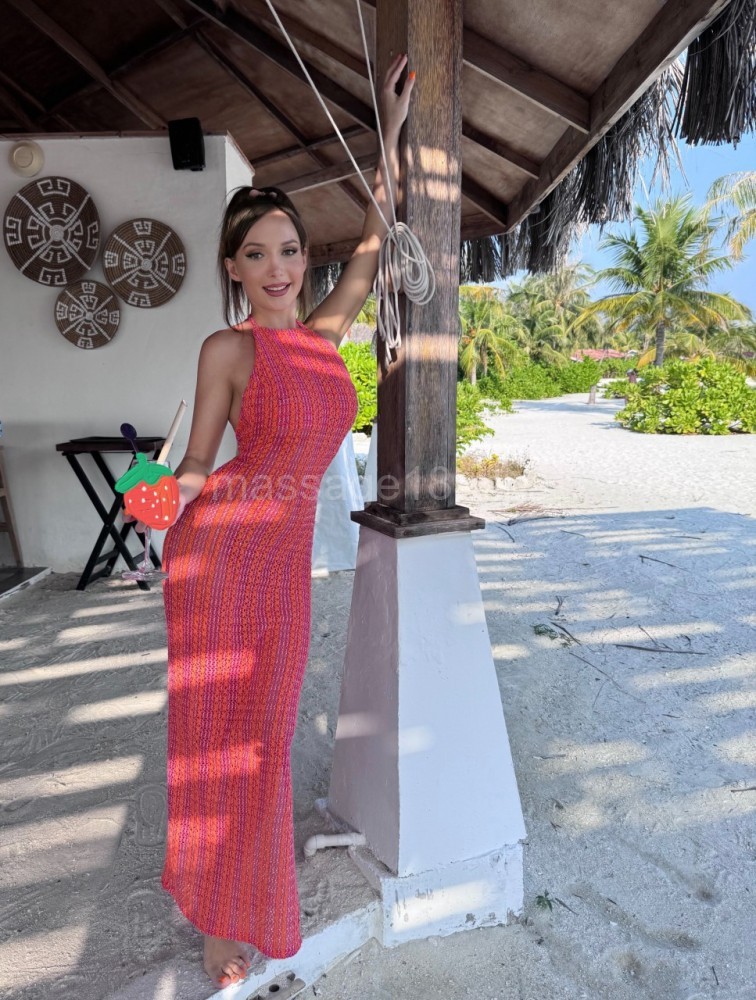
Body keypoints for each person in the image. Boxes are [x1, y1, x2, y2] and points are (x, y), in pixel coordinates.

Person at [125, 55, 414, 989]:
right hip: (219, 557)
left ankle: (246, 894)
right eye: (257, 255)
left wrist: (390, 134)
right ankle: (221, 923)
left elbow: (374, 241)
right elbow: (200, 463)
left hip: (280, 563)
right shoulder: (228, 348)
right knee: (218, 740)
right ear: (233, 268)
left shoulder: (324, 336)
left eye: (289, 250)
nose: (278, 268)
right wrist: (161, 495)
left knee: (267, 737)